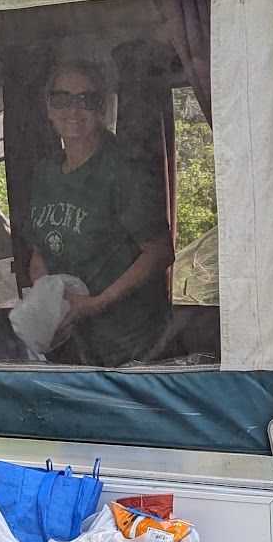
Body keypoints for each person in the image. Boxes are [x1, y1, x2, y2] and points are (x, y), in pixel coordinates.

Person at [23, 60, 174, 366]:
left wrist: (96, 303)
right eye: (61, 99)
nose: (73, 110)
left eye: (86, 100)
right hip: (71, 337)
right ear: (48, 108)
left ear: (102, 108)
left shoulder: (124, 172)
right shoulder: (46, 173)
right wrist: (46, 300)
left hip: (131, 343)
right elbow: (40, 251)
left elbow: (159, 252)